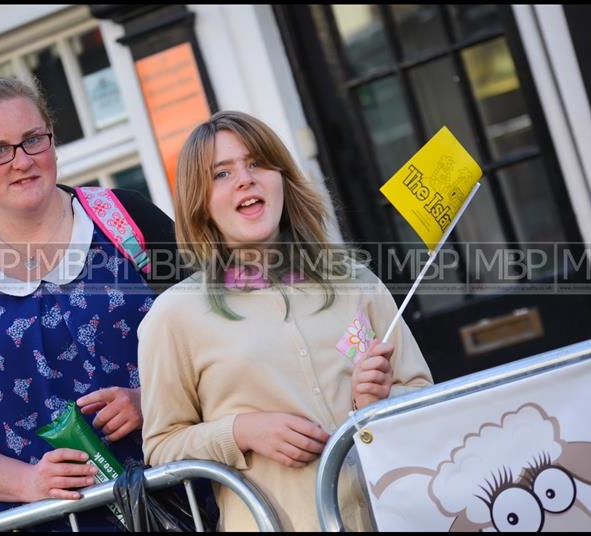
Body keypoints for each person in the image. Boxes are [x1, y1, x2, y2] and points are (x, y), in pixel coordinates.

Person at [0, 77, 182, 531]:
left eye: (33, 140)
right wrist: (28, 482)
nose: (22, 161)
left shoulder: (126, 220)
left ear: (52, 139)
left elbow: (214, 339)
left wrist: (152, 400)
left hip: (174, 504)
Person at [138, 111, 434, 531]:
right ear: (200, 204)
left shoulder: (356, 281)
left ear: (283, 179)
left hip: (386, 520)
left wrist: (374, 406)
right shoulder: (174, 316)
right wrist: (241, 432)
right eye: (221, 174)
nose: (245, 179)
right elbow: (162, 447)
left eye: (257, 162)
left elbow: (423, 393)